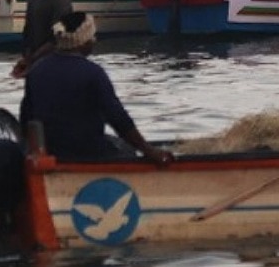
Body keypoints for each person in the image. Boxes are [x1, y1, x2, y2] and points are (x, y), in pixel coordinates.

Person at [20, 12, 174, 163]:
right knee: (127, 149)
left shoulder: (36, 70)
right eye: (92, 37)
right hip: (88, 152)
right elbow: (118, 119)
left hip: (51, 150)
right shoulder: (93, 73)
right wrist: (148, 150)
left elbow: (26, 117)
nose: (94, 41)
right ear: (84, 42)